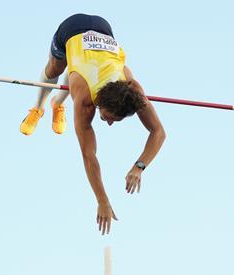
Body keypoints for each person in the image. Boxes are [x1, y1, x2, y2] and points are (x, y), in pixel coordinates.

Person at [20, 14, 166, 235]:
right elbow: (89, 156)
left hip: (102, 33)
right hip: (72, 29)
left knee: (78, 71)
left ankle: (56, 105)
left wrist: (140, 167)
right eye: (109, 117)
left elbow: (159, 132)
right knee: (55, 69)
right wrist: (102, 200)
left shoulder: (132, 89)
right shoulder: (86, 102)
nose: (108, 123)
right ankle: (39, 108)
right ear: (99, 103)